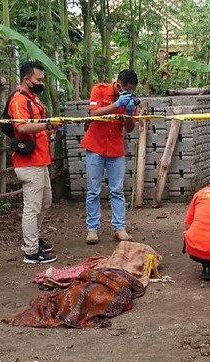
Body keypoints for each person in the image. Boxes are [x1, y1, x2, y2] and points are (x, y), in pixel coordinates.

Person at [9, 61, 63, 264]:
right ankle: (31, 250)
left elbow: (37, 127)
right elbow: (22, 127)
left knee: (45, 202)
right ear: (26, 79)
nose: (41, 82)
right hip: (28, 162)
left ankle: (32, 239)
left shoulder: (33, 99)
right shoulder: (18, 100)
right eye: (38, 79)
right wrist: (48, 124)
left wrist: (50, 128)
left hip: (40, 160)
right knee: (32, 207)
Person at [81, 69, 139, 245]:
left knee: (117, 190)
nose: (129, 93)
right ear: (119, 85)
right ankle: (92, 230)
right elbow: (94, 113)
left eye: (132, 90)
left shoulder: (129, 99)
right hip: (95, 147)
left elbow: (129, 128)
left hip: (115, 148)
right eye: (127, 89)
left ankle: (119, 228)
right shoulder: (99, 89)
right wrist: (116, 105)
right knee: (93, 190)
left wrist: (128, 112)